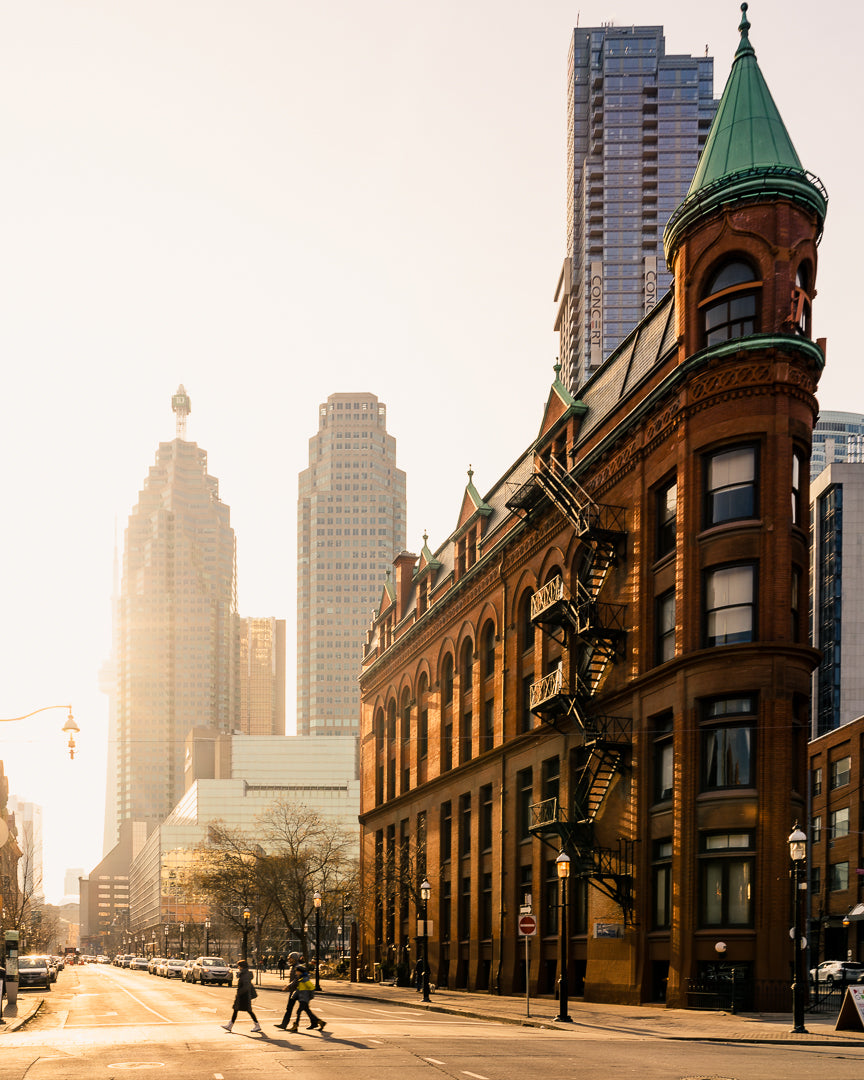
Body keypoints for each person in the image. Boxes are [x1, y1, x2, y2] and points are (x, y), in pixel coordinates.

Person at [222, 959, 261, 1033]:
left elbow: (246, 986)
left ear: (242, 967)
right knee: (237, 1009)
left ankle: (257, 1025)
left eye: (239, 966)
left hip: (244, 996)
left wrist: (239, 993)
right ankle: (230, 1025)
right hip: (244, 995)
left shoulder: (245, 974)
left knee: (247, 1010)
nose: (238, 967)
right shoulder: (244, 973)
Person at [291, 964, 326, 1033]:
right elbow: (299, 989)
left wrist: (310, 996)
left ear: (300, 972)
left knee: (299, 1012)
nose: (296, 973)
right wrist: (294, 996)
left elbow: (312, 987)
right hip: (302, 998)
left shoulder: (304, 979)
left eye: (297, 971)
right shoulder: (301, 979)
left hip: (304, 999)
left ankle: (295, 1026)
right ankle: (318, 1022)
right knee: (308, 1012)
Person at [274, 951, 303, 1029]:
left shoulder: (297, 967)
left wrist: (288, 986)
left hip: (298, 991)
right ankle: (284, 1024)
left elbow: (297, 979)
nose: (288, 959)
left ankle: (315, 1021)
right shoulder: (293, 966)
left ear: (294, 959)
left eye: (290, 958)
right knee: (290, 1008)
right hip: (294, 990)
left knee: (302, 1008)